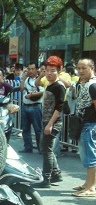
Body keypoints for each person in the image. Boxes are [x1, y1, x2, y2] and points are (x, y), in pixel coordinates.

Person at [32, 56, 65, 189]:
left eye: (53, 70)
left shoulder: (59, 86)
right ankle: (56, 173)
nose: (49, 73)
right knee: (46, 148)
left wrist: (50, 124)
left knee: (46, 150)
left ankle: (47, 178)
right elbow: (37, 83)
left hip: (53, 122)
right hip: (46, 120)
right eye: (47, 70)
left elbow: (59, 107)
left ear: (59, 70)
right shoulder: (49, 83)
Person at [71, 58, 96, 197]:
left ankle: (91, 187)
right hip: (84, 124)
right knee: (87, 155)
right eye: (78, 68)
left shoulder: (93, 85)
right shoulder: (84, 84)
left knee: (90, 157)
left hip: (90, 124)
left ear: (91, 68)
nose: (80, 71)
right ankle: (88, 183)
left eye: (84, 68)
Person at [19, 62, 44, 153]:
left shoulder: (40, 79)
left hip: (35, 106)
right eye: (29, 69)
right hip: (26, 105)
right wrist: (23, 78)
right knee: (25, 128)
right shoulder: (27, 79)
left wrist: (32, 95)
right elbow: (21, 89)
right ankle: (28, 147)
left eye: (32, 69)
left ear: (37, 69)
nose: (30, 71)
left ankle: (40, 148)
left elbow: (42, 92)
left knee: (38, 129)